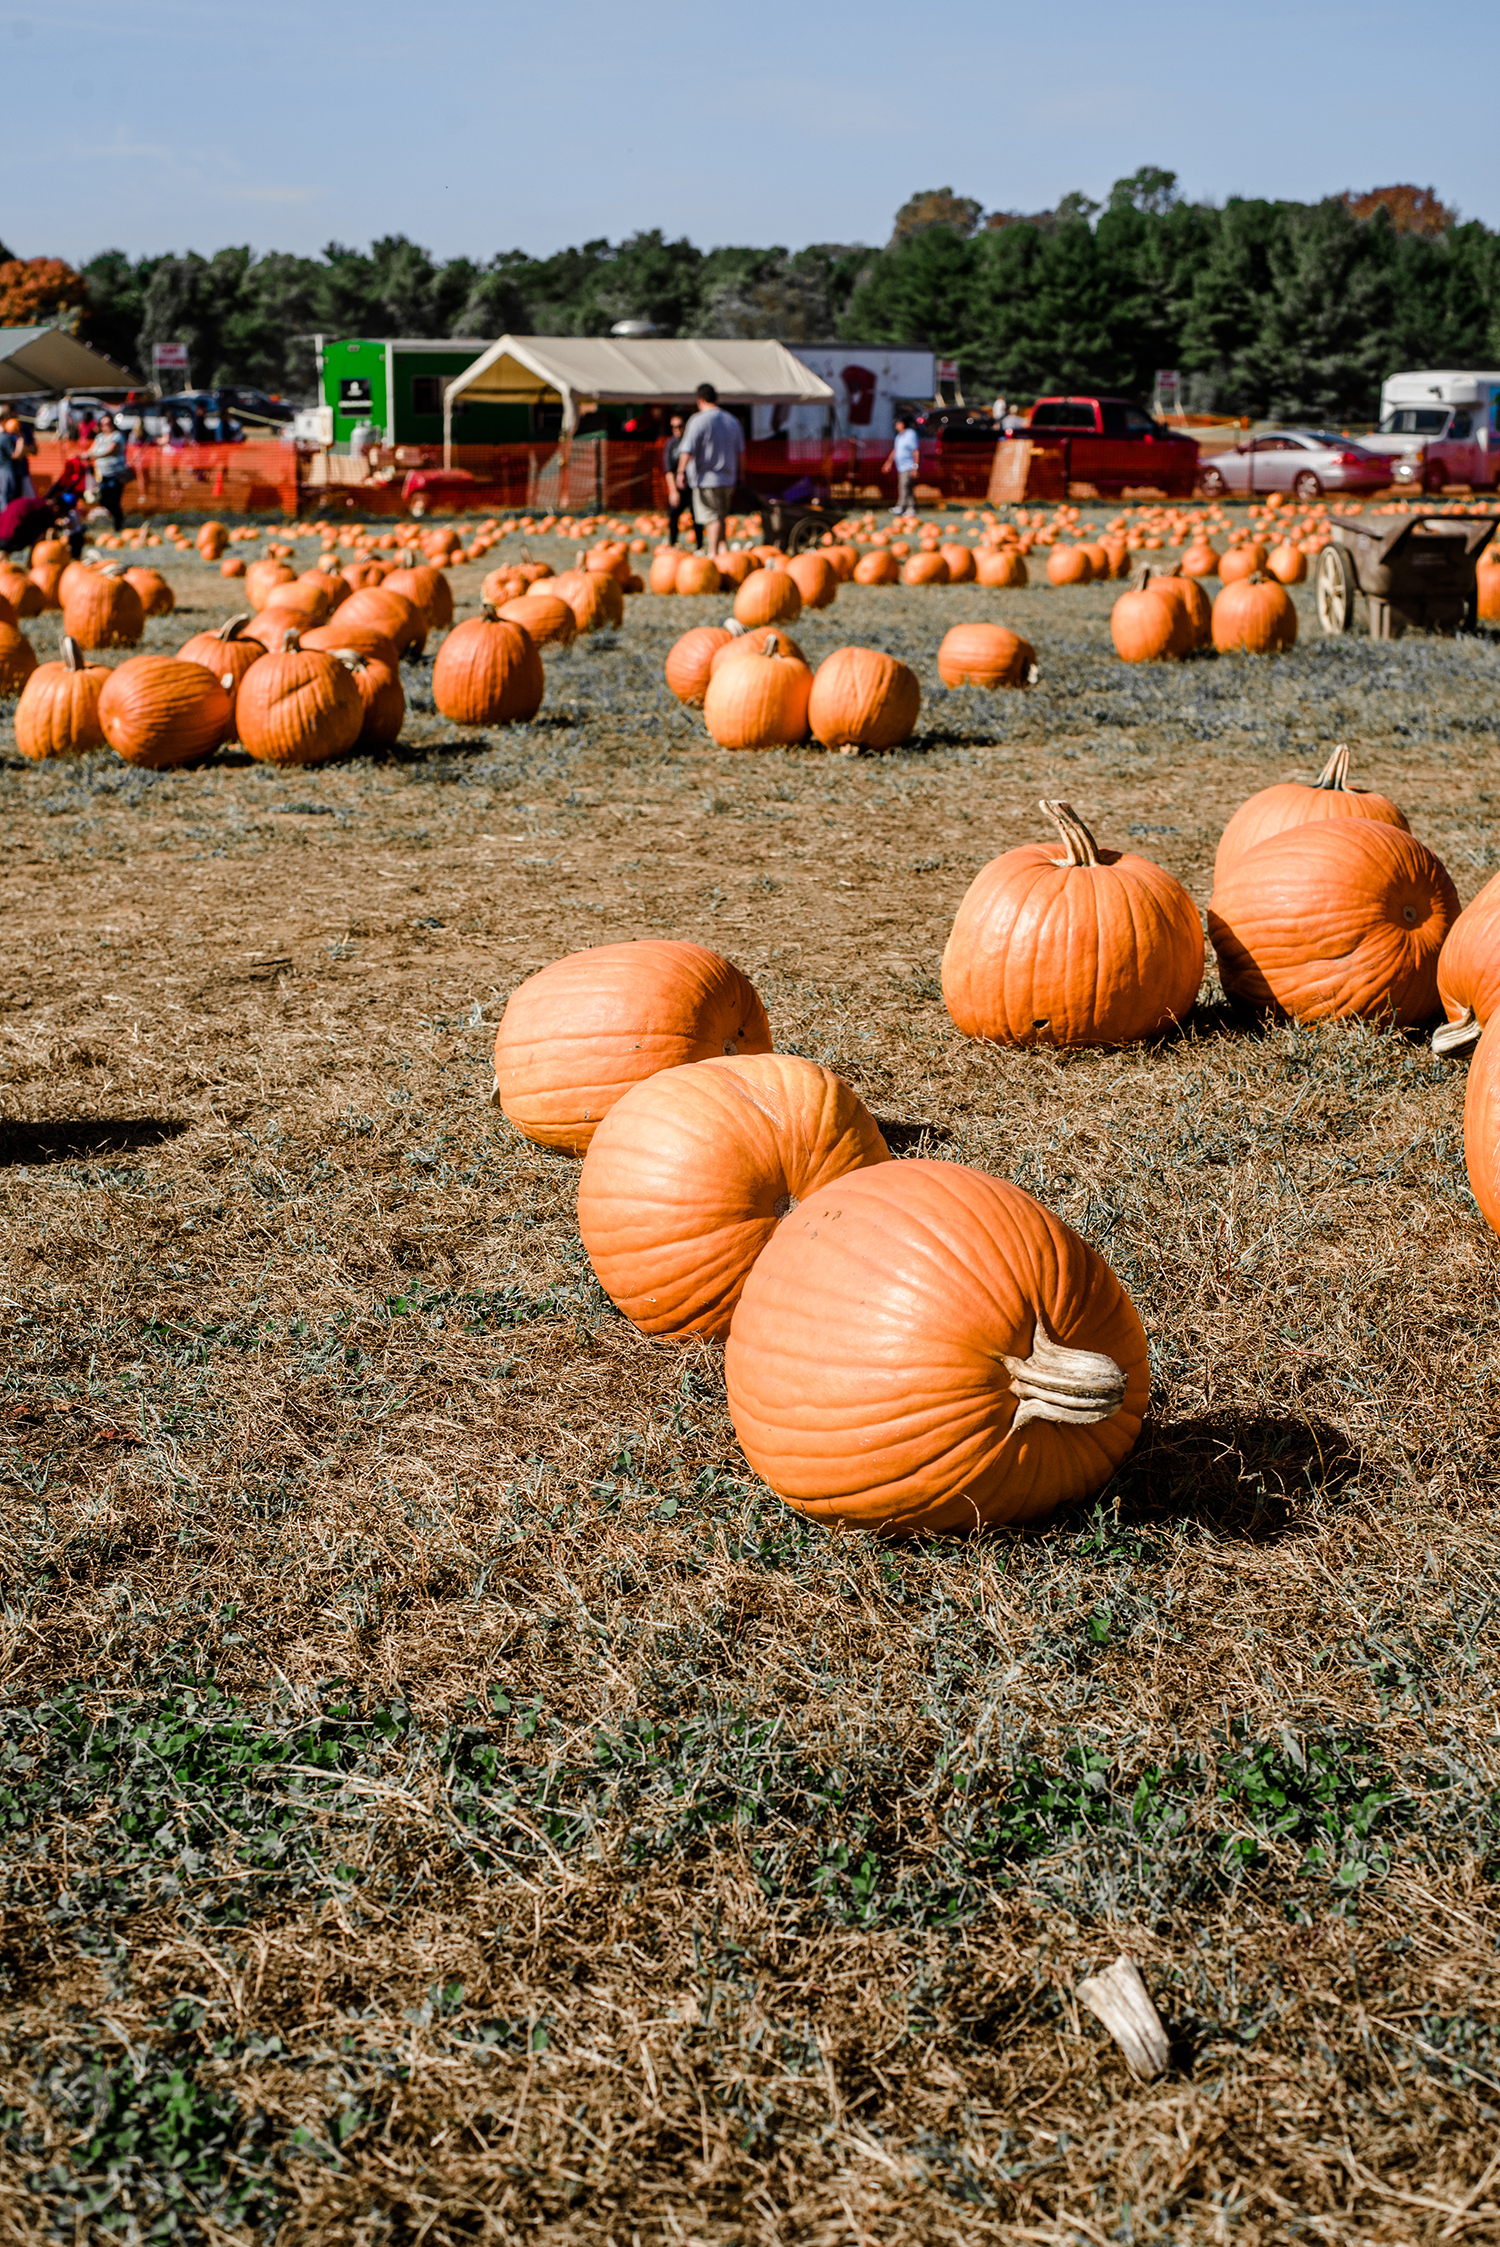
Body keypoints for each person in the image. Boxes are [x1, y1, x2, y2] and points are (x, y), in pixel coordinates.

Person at [675, 382, 742, 558]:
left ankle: (712, 555)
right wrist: (741, 474)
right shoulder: (732, 421)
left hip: (707, 478)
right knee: (720, 516)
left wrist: (681, 472)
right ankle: (723, 551)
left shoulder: (698, 420)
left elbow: (687, 450)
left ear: (700, 399)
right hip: (728, 478)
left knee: (712, 518)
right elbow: (741, 452)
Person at [0, 479, 83, 560]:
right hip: (8, 538)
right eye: (59, 516)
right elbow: (45, 534)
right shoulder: (46, 512)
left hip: (3, 533)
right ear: (56, 509)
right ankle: (31, 563)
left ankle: (4, 556)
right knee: (39, 536)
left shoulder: (37, 502)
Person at [662, 412, 700, 549]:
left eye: (679, 426)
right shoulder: (670, 444)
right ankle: (672, 544)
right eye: (673, 427)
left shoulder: (694, 442)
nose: (676, 429)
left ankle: (699, 546)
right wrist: (673, 491)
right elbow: (668, 470)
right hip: (678, 486)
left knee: (697, 517)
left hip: (694, 485)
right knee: (673, 514)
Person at [89, 417, 130, 531]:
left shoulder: (117, 436)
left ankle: (118, 525)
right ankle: (119, 517)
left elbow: (111, 450)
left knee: (114, 500)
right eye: (104, 424)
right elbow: (91, 451)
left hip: (116, 474)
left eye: (108, 424)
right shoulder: (99, 437)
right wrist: (80, 456)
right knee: (103, 500)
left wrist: (95, 456)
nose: (106, 426)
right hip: (103, 474)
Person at [884, 413, 919, 520]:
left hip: (908, 465)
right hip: (900, 466)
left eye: (898, 424)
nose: (896, 426)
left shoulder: (911, 434)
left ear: (904, 424)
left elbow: (915, 451)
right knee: (905, 486)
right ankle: (910, 507)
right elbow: (896, 450)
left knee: (904, 485)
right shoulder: (899, 436)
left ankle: (903, 506)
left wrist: (915, 466)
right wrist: (888, 462)